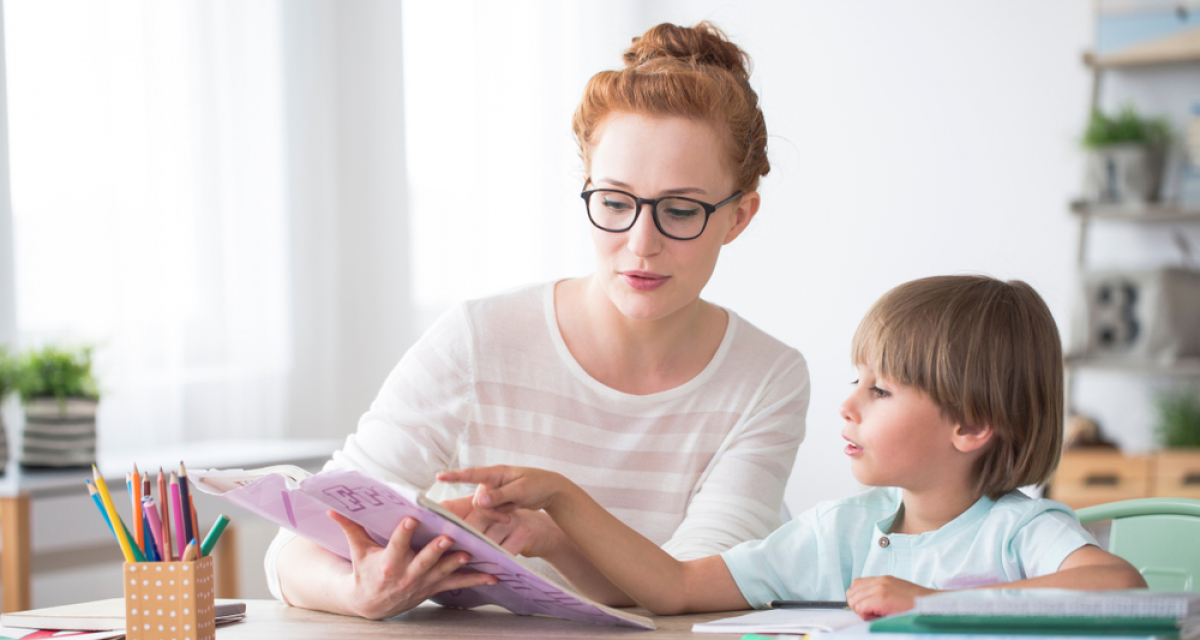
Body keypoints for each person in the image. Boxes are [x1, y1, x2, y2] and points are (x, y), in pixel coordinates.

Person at [267, 22, 810, 620]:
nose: (641, 242)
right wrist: (358, 591)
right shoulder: (479, 340)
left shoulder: (767, 377)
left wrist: (557, 529)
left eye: (680, 210)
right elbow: (295, 546)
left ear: (739, 217)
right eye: (614, 202)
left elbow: (695, 587)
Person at [440, 275, 1148, 621]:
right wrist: (560, 515)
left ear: (970, 425)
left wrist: (931, 603)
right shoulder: (840, 532)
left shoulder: (1021, 531)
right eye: (855, 380)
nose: (848, 404)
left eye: (880, 390)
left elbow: (1119, 587)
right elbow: (673, 588)